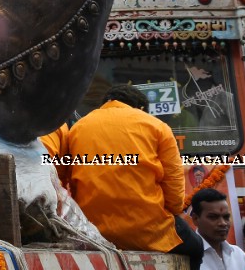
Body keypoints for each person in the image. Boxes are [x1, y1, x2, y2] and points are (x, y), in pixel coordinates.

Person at [66, 84, 204, 270]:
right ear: (140, 108)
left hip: (92, 231)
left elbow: (70, 183)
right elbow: (174, 195)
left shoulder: (77, 129)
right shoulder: (157, 126)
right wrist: (170, 212)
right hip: (148, 231)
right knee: (196, 247)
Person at [191, 188, 245, 270]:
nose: (223, 223)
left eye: (226, 217)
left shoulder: (237, 253)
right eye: (213, 217)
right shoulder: (186, 257)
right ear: (195, 219)